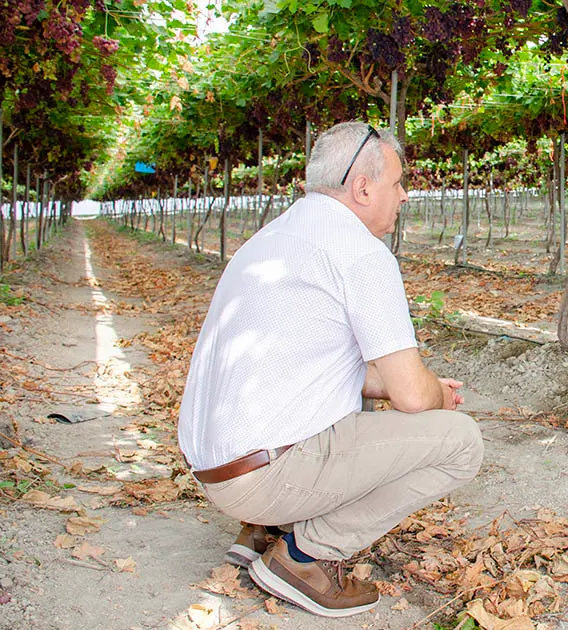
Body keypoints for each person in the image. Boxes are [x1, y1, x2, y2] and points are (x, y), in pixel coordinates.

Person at [177, 121, 483, 618]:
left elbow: (315, 364)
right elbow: (412, 395)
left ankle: (262, 532)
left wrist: (404, 387)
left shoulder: (272, 238)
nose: (404, 196)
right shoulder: (361, 252)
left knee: (362, 392)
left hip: (216, 470)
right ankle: (303, 557)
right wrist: (436, 398)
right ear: (363, 187)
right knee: (461, 442)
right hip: (263, 478)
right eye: (397, 183)